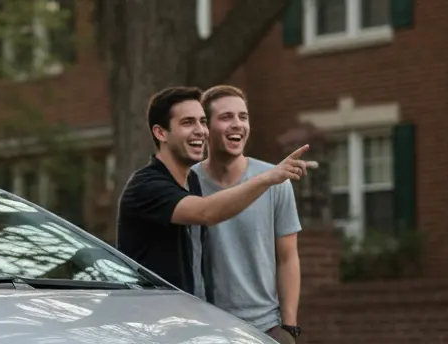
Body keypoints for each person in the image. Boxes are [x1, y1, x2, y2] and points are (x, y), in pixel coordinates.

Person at [115, 85, 310, 298]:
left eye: (202, 121)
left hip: (195, 321)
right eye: (188, 122)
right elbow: (206, 212)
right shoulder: (146, 185)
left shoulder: (192, 181)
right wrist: (267, 178)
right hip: (152, 323)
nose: (200, 130)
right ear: (161, 132)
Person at [189, 84, 303, 344]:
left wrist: (288, 327)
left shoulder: (276, 181)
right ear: (205, 127)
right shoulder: (185, 183)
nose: (237, 124)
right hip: (203, 328)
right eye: (226, 117)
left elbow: (287, 257)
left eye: (243, 117)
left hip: (266, 329)